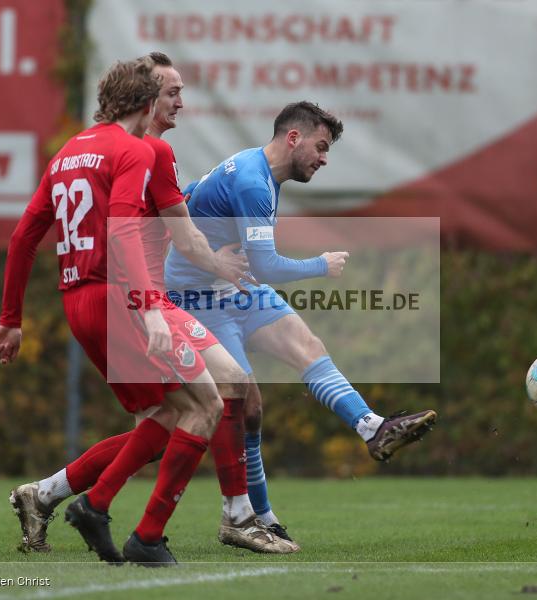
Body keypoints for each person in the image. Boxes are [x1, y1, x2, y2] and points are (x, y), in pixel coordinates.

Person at [3, 53, 297, 559]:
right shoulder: (140, 151)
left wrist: (10, 319)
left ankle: (53, 495)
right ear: (147, 97)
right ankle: (214, 517)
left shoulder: (80, 150)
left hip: (100, 296)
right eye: (171, 90)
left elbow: (27, 235)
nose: (180, 100)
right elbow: (142, 238)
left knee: (195, 403)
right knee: (196, 406)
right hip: (132, 298)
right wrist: (156, 303)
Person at [164, 101, 438, 539]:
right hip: (199, 301)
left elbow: (190, 196)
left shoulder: (255, 170)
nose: (324, 159)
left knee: (309, 349)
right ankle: (254, 516)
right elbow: (269, 267)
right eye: (322, 147)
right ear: (294, 137)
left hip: (238, 287)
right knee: (243, 408)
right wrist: (321, 265)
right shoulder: (255, 182)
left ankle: (372, 428)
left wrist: (205, 248)